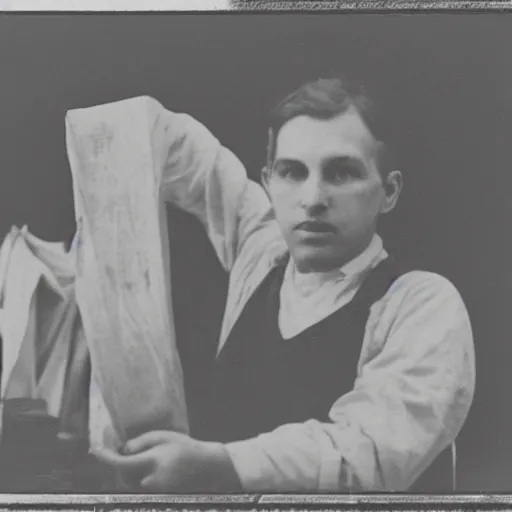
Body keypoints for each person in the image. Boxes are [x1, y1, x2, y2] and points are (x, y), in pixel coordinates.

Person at [94, 77, 475, 493]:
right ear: (268, 182)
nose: (312, 198)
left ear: (389, 191)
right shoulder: (262, 256)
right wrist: (106, 143)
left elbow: (369, 453)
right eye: (292, 172)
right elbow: (178, 146)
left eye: (342, 172)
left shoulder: (421, 305)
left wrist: (219, 464)